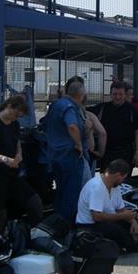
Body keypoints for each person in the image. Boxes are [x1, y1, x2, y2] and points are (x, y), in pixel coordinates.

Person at [0, 94, 44, 236]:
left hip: (12, 174)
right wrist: (5, 159)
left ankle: (29, 234)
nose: (16, 118)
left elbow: (17, 142)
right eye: (15, 114)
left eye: (19, 116)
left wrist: (19, 154)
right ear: (9, 107)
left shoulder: (14, 124)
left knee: (34, 203)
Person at [76, 159, 138, 253]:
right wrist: (122, 216)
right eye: (123, 178)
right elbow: (96, 216)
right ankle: (130, 245)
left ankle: (134, 240)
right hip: (91, 225)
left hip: (110, 219)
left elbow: (121, 209)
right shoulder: (97, 187)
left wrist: (133, 221)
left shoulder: (115, 187)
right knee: (116, 230)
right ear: (117, 175)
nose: (122, 181)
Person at [45, 80, 88, 223]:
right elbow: (72, 126)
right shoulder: (70, 107)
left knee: (60, 191)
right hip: (69, 155)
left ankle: (56, 223)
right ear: (81, 95)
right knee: (71, 193)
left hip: (54, 154)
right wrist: (78, 144)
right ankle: (67, 225)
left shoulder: (56, 105)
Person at [90, 80, 138, 171]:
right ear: (110, 94)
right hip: (107, 153)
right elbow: (83, 111)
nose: (117, 97)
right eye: (115, 94)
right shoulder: (102, 108)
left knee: (124, 178)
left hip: (126, 152)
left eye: (120, 94)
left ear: (125, 95)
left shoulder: (132, 110)